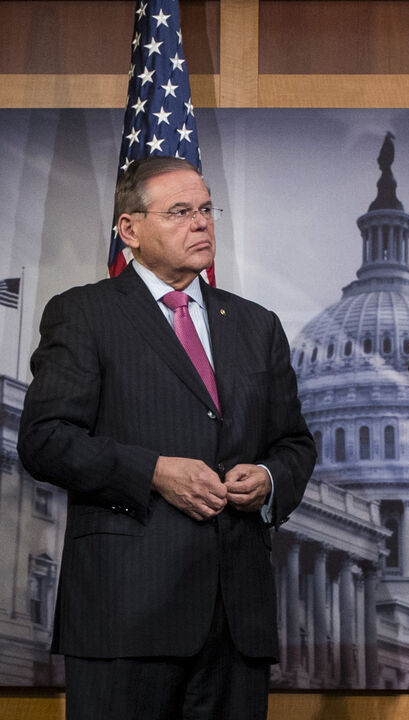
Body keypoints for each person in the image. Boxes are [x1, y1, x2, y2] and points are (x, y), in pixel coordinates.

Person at [18, 156, 315, 720]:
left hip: (236, 623)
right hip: (125, 616)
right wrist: (153, 471)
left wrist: (271, 479)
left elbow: (295, 444)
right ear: (129, 230)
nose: (201, 223)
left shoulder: (257, 325)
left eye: (206, 209)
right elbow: (45, 439)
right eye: (180, 211)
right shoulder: (84, 314)